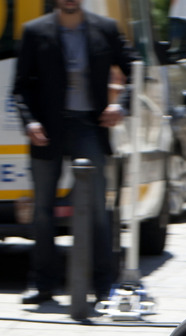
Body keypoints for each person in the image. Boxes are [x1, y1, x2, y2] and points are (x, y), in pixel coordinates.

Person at [14, 0, 135, 305]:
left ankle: (104, 283)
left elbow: (135, 67)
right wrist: (30, 123)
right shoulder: (34, 31)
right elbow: (20, 87)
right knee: (42, 209)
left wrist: (120, 104)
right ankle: (42, 283)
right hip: (47, 129)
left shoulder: (104, 28)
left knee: (96, 206)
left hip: (88, 127)